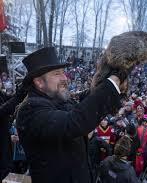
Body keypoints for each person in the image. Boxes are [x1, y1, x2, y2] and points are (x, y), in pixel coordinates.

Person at [16, 47, 128, 183]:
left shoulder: (58, 100)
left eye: (64, 72)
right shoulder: (31, 110)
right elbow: (73, 122)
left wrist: (112, 75)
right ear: (39, 82)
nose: (65, 78)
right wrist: (111, 83)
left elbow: (83, 103)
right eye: (57, 74)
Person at [0, 84, 27, 180]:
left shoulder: (1, 95)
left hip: (5, 142)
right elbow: (4, 110)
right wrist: (20, 94)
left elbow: (11, 100)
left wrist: (22, 91)